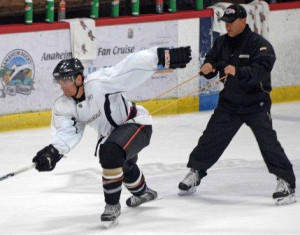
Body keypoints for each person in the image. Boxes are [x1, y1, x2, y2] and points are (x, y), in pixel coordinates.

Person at [32, 46, 192, 227]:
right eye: (59, 81)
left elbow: (127, 67)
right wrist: (53, 152)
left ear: (78, 78)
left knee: (110, 153)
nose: (62, 85)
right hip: (112, 136)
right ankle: (143, 193)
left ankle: (112, 206)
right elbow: (68, 132)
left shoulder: (98, 83)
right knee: (123, 164)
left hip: (136, 124)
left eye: (65, 80)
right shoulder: (63, 106)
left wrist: (159, 56)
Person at [178, 4, 296, 205]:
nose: (228, 27)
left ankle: (286, 182)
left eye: (232, 23)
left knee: (268, 142)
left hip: (255, 104)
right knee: (211, 138)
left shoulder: (260, 45)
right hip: (230, 103)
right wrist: (208, 68)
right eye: (225, 23)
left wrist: (239, 71)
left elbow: (261, 70)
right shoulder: (221, 42)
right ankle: (196, 172)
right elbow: (213, 61)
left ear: (243, 21)